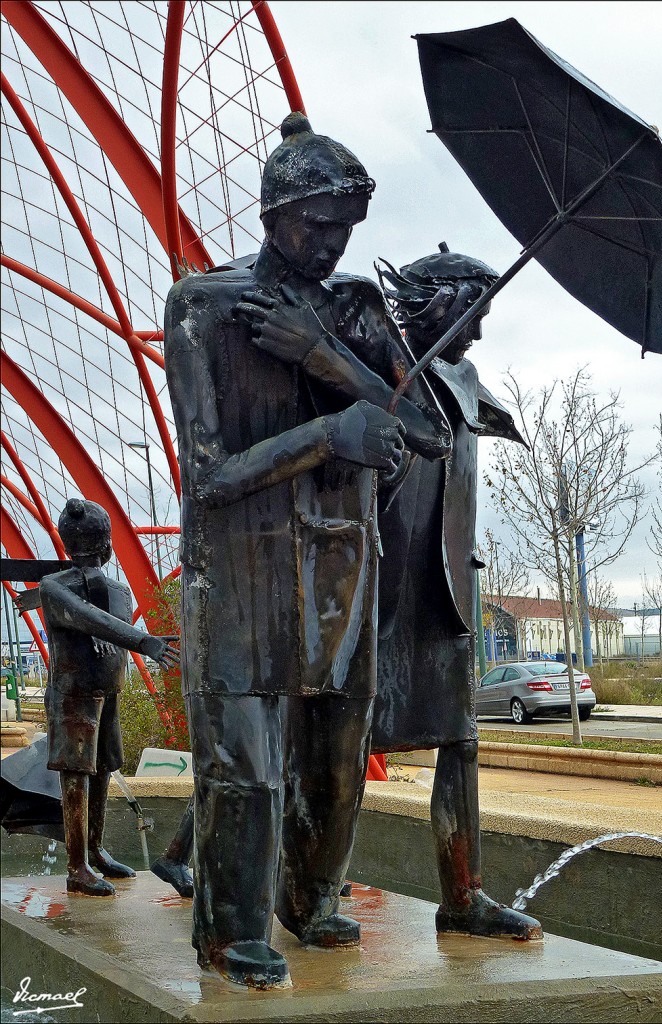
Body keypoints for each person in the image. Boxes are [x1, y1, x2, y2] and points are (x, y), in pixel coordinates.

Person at [165, 112, 449, 988]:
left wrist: (327, 358)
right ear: (271, 212)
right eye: (315, 224)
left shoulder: (355, 307)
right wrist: (330, 433)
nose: (330, 244)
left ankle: (311, 900)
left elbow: (428, 430)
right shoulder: (205, 306)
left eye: (346, 229)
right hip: (242, 572)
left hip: (341, 569)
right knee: (244, 767)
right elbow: (208, 477)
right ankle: (229, 931)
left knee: (333, 761)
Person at [368, 246, 542, 940]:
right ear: (438, 300)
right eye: (475, 311)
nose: (478, 330)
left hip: (444, 586)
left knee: (460, 740)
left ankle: (462, 895)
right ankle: (303, 894)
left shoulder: (462, 373)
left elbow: (489, 420)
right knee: (334, 743)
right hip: (378, 580)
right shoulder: (376, 362)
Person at [39, 498, 179, 896]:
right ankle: (76, 865)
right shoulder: (54, 588)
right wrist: (142, 640)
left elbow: (104, 620)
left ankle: (95, 849)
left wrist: (115, 636)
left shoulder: (115, 589)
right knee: (76, 776)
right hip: (73, 693)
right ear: (108, 545)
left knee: (101, 770)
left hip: (109, 689)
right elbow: (88, 617)